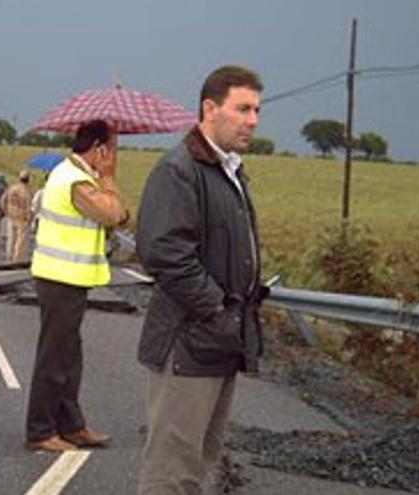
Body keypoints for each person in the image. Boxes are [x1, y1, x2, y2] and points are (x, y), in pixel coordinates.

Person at [135, 65, 267, 495]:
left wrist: (232, 319)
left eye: (257, 110)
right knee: (172, 471)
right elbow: (164, 253)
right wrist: (217, 307)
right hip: (188, 344)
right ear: (210, 108)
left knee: (202, 464)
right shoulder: (180, 169)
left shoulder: (228, 171)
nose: (253, 120)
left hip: (219, 340)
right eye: (243, 108)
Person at [25, 120, 130, 452]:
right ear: (99, 148)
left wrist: (113, 205)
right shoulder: (74, 181)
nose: (114, 157)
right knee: (54, 358)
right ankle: (40, 431)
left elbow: (119, 216)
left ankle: (71, 426)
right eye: (111, 149)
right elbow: (114, 214)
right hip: (60, 278)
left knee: (69, 357)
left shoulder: (78, 177)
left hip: (70, 277)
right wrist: (109, 178)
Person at [0, 170, 33, 262]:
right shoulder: (26, 191)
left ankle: (9, 255)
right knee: (20, 239)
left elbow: (3, 199)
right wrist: (29, 217)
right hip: (21, 217)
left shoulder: (12, 188)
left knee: (11, 237)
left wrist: (5, 210)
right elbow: (28, 205)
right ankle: (17, 257)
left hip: (11, 215)